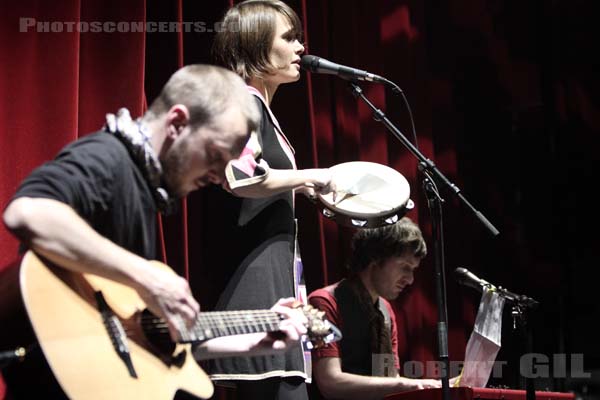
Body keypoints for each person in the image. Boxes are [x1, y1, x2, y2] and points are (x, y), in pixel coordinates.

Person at [1, 64, 308, 399]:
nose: (221, 175)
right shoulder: (108, 158)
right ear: (177, 122)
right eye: (216, 156)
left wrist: (251, 341)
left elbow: (137, 340)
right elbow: (27, 211)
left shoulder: (146, 192)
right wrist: (149, 277)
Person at [207, 1, 337, 399]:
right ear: (255, 44)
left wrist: (298, 186)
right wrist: (311, 175)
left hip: (276, 283)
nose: (301, 48)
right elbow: (240, 176)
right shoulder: (243, 101)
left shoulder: (260, 108)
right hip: (254, 285)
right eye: (289, 38)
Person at [308, 218, 442, 400]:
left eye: (413, 270)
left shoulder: (385, 311)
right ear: (375, 258)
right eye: (404, 267)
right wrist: (408, 384)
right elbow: (330, 383)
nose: (410, 279)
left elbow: (387, 380)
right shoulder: (324, 302)